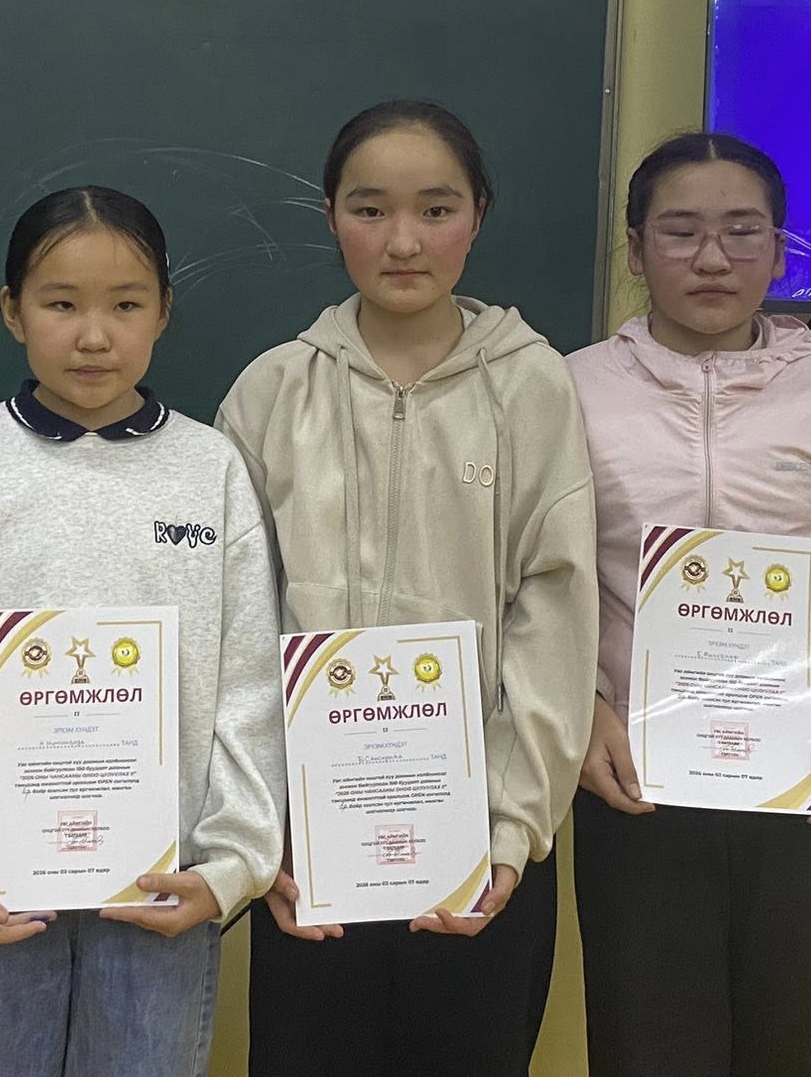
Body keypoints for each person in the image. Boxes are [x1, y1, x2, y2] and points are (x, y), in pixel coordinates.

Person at [0, 186, 285, 1077]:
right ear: (13, 311)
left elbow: (247, 684)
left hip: (164, 883)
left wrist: (232, 864)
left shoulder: (211, 473)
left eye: (125, 306)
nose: (94, 337)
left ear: (163, 313)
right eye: (61, 305)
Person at [218, 99, 598, 1077]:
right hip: (310, 853)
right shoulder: (272, 390)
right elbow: (232, 623)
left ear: (478, 215)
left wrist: (510, 827)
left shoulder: (533, 387)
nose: (402, 241)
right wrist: (261, 826)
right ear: (329, 215)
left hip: (476, 849)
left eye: (435, 210)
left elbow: (553, 613)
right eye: (369, 209)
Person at [567, 131, 811, 1077]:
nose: (712, 258)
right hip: (638, 786)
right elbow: (535, 585)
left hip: (805, 781)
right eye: (680, 231)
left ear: (778, 251)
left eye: (742, 231)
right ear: (636, 246)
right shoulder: (570, 391)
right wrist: (584, 708)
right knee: (651, 1048)